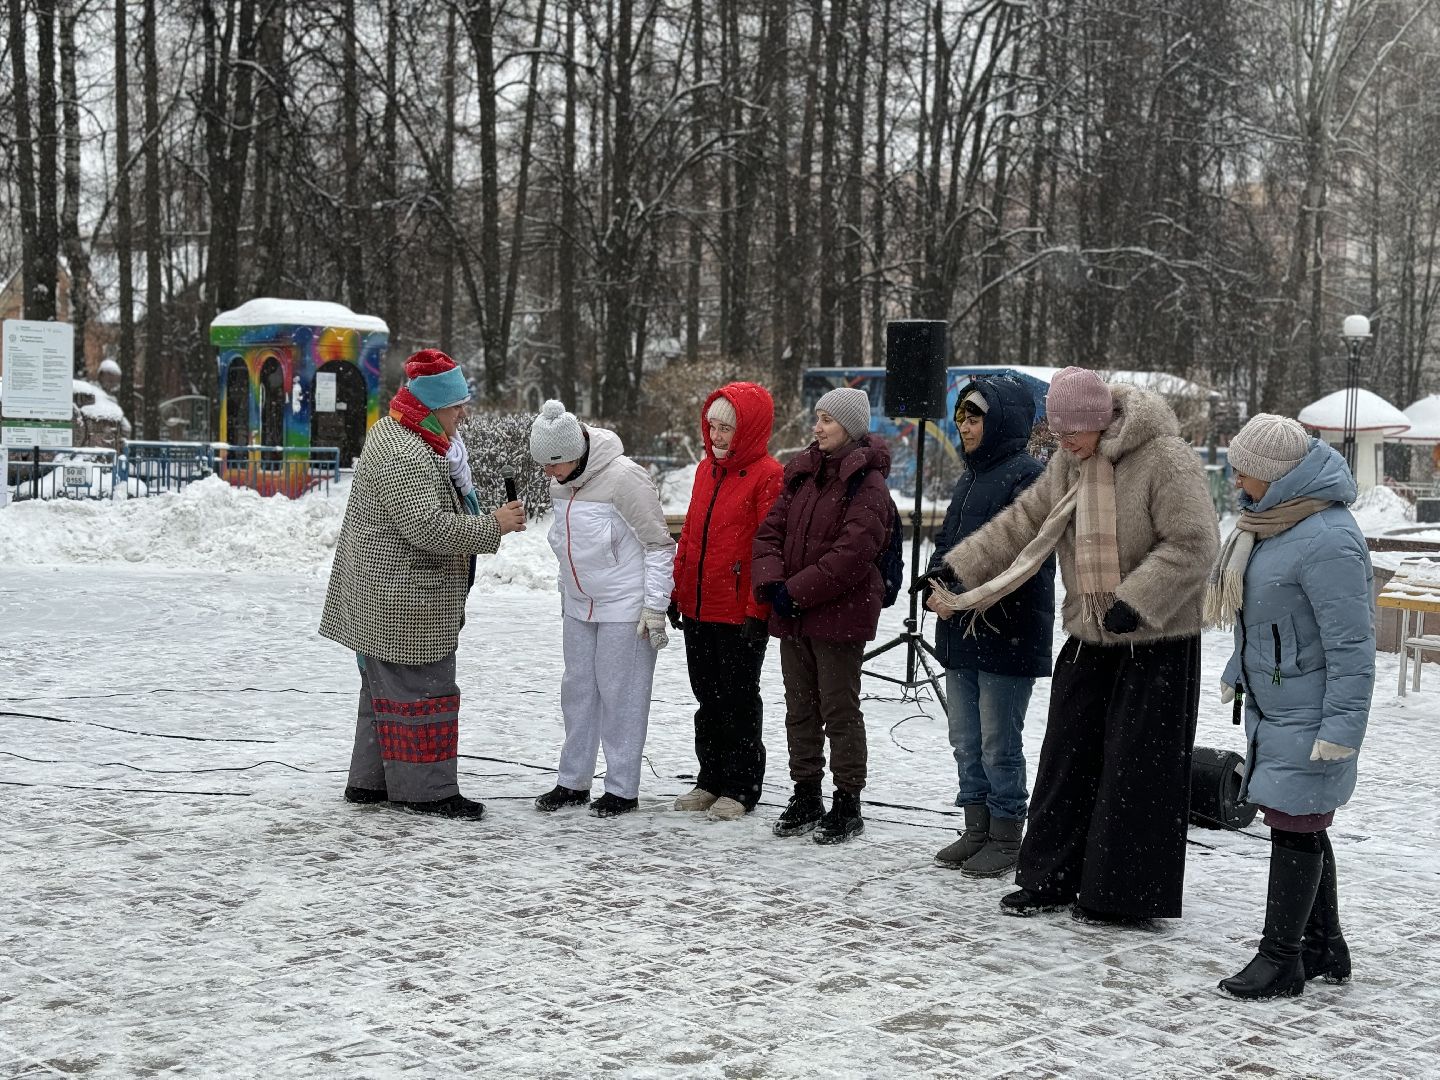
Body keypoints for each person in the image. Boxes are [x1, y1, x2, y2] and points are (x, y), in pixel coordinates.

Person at [924, 367, 1218, 920]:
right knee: (1067, 758)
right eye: (1055, 435)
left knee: (1135, 770)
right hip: (1089, 632)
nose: (1063, 445)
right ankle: (1050, 878)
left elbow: (1195, 542)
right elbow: (1021, 525)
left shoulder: (1166, 459)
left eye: (1071, 434)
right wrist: (955, 571)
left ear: (1101, 422)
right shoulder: (1070, 463)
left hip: (1155, 639)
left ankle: (1122, 894)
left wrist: (1137, 599)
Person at [320, 349, 526, 820]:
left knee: (383, 694)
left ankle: (371, 782)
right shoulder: (406, 450)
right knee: (424, 693)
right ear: (433, 406)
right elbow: (426, 527)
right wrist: (492, 525)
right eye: (457, 407)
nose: (464, 415)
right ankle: (427, 791)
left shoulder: (405, 435)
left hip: (387, 596)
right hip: (403, 600)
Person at [1208, 414, 1372, 998]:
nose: (1237, 481)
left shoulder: (1328, 536)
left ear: (1277, 476)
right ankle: (1326, 946)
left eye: (1245, 471)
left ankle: (1281, 959)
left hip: (1311, 713)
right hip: (1277, 705)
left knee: (1295, 827)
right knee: (1299, 822)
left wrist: (1342, 728)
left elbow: (1352, 646)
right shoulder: (1272, 524)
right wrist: (1237, 671)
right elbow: (1267, 621)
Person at [924, 377, 1054, 876]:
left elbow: (1020, 555)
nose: (966, 428)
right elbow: (949, 539)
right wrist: (936, 579)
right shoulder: (971, 476)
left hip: (1006, 630)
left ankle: (1006, 833)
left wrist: (961, 586)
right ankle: (975, 826)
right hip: (959, 630)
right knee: (965, 737)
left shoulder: (1029, 477)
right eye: (960, 419)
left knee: (1000, 741)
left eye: (975, 418)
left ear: (1000, 421)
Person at [752, 386, 893, 844]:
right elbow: (770, 531)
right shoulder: (804, 474)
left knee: (838, 709)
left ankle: (847, 801)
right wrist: (774, 584)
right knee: (800, 708)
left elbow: (853, 553)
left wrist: (796, 591)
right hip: (794, 613)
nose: (817, 427)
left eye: (827, 419)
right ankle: (805, 793)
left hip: (838, 617)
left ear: (850, 427)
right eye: (817, 417)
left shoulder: (866, 484)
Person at [529, 400, 675, 818]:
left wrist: (654, 607)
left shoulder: (625, 479)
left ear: (574, 454)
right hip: (579, 605)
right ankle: (572, 781)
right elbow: (566, 544)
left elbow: (659, 546)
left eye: (553, 465)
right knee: (577, 693)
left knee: (621, 695)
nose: (548, 475)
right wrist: (565, 593)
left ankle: (622, 788)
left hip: (625, 607)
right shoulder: (561, 479)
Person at [669, 383, 785, 821]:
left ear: (748, 430)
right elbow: (691, 538)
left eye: (726, 429)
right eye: (712, 426)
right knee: (707, 698)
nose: (715, 436)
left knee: (738, 699)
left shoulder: (768, 475)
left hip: (739, 614)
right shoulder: (704, 471)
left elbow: (767, 548)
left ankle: (741, 785)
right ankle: (711, 778)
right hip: (699, 606)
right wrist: (677, 591)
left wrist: (760, 610)